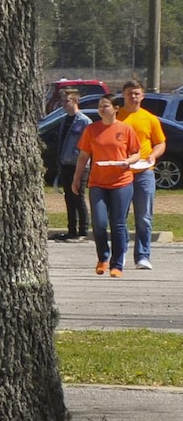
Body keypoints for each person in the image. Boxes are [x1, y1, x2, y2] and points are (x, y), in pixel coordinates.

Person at [73, 93, 142, 277]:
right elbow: (83, 156)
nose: (102, 109)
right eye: (100, 106)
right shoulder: (91, 129)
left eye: (106, 106)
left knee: (118, 223)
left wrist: (128, 161)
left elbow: (136, 153)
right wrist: (77, 178)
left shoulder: (125, 129)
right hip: (98, 183)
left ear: (116, 108)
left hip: (121, 182)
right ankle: (103, 257)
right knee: (99, 223)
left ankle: (117, 264)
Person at [118, 81, 167, 270]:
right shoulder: (116, 117)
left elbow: (160, 142)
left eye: (137, 93)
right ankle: (119, 254)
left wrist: (153, 156)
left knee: (144, 216)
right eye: (130, 93)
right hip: (121, 173)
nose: (133, 97)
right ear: (123, 95)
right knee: (119, 217)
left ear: (143, 96)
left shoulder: (150, 118)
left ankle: (143, 256)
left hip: (144, 172)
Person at [50, 86, 92, 242]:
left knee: (78, 197)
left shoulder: (84, 121)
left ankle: (82, 231)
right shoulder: (65, 119)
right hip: (65, 163)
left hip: (79, 165)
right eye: (62, 100)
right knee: (68, 197)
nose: (63, 103)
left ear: (75, 101)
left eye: (66, 100)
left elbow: (87, 146)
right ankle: (71, 230)